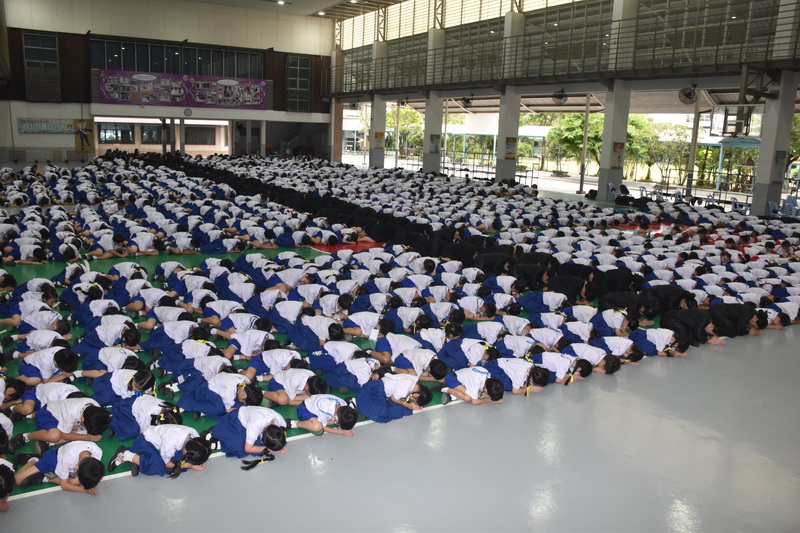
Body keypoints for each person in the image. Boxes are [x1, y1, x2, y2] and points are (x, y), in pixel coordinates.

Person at [107, 425, 211, 478]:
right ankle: (126, 454)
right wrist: (190, 466)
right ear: (185, 451)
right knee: (159, 466)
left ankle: (140, 459)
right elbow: (167, 464)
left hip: (160, 445)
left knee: (179, 462)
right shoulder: (170, 443)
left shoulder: (194, 436)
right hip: (145, 441)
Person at [13, 441, 104, 494]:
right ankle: (34, 460)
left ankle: (44, 476)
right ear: (76, 467)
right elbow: (64, 486)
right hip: (54, 458)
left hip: (70, 461)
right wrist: (85, 490)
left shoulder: (97, 452)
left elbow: (92, 471)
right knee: (17, 480)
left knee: (74, 482)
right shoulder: (68, 458)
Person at [210, 405, 287, 461]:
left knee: (258, 448)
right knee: (240, 446)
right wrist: (269, 449)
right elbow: (248, 449)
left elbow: (280, 435)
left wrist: (278, 445)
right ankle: (217, 439)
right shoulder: (256, 425)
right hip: (236, 421)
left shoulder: (281, 423)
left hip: (250, 420)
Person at [354, 372, 432, 423]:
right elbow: (393, 399)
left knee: (399, 407)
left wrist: (407, 403)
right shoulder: (406, 385)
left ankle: (363, 409)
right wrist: (408, 405)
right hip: (374, 392)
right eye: (415, 401)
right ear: (417, 395)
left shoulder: (413, 381)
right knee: (385, 414)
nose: (412, 401)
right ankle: (358, 407)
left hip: (377, 390)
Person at [292, 394, 358, 436]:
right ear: (336, 416)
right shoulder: (325, 409)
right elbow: (323, 427)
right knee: (317, 427)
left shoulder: (343, 405)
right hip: (305, 409)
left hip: (316, 406)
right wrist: (341, 432)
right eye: (338, 423)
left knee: (327, 422)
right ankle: (293, 423)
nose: (338, 425)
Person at [439, 366, 505, 405]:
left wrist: (491, 396)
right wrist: (489, 399)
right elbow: (474, 402)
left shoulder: (488, 375)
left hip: (460, 378)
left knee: (477, 394)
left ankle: (452, 396)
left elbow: (483, 392)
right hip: (452, 379)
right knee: (468, 398)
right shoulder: (476, 381)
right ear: (486, 389)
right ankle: (444, 388)